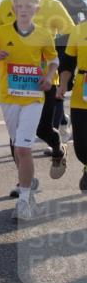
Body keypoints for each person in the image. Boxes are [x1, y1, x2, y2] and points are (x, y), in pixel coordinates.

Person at [0, 0, 58, 220]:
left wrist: (48, 77)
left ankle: (24, 201)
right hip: (9, 98)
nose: (24, 10)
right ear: (14, 9)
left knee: (24, 149)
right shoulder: (1, 32)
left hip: (33, 98)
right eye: (20, 6)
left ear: (37, 9)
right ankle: (29, 186)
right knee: (18, 148)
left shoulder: (44, 34)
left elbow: (53, 59)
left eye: (29, 6)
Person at [0, 0, 73, 176]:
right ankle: (24, 181)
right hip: (13, 80)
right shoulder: (6, 5)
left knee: (43, 129)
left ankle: (58, 150)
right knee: (16, 134)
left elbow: (71, 35)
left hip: (43, 80)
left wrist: (60, 66)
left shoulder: (53, 6)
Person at [43, 0, 87, 141]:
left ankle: (62, 121)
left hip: (72, 50)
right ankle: (59, 127)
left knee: (62, 89)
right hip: (50, 50)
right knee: (55, 90)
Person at [58, 16, 87, 192]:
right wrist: (63, 85)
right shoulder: (79, 30)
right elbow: (68, 64)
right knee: (81, 144)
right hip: (81, 94)